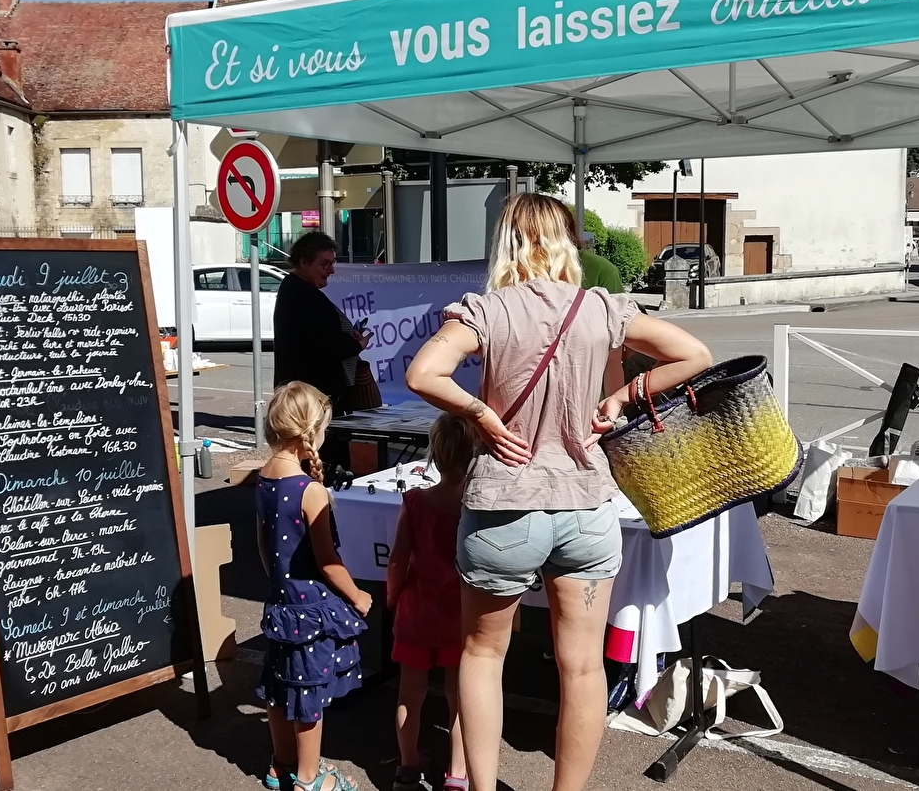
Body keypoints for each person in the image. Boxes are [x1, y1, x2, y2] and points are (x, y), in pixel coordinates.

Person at [405, 193, 712, 791]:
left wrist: (481, 417)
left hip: (504, 510)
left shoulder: (486, 311)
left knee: (483, 657)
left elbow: (422, 374)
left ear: (508, 243)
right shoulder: (599, 307)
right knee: (581, 667)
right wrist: (623, 397)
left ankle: (482, 786)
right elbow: (694, 354)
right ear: (567, 243)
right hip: (586, 509)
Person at [254, 382, 373, 791]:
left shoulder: (265, 477)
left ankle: (280, 765)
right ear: (312, 431)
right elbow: (328, 561)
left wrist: (277, 584)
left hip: (282, 604)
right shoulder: (310, 490)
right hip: (309, 610)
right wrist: (358, 597)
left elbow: (262, 543)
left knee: (278, 686)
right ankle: (309, 778)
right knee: (309, 694)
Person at [386, 414, 479, 791]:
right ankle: (457, 773)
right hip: (460, 615)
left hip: (416, 610)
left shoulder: (415, 502)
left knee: (410, 693)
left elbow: (397, 559)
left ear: (434, 457)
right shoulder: (474, 506)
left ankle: (408, 765)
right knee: (461, 698)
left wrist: (393, 597)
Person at [273, 232, 371, 418]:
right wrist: (356, 345)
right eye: (325, 264)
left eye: (332, 264)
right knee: (323, 446)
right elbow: (325, 344)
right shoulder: (302, 295)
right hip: (313, 399)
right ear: (303, 262)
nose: (331, 270)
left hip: (309, 396)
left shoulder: (298, 290)